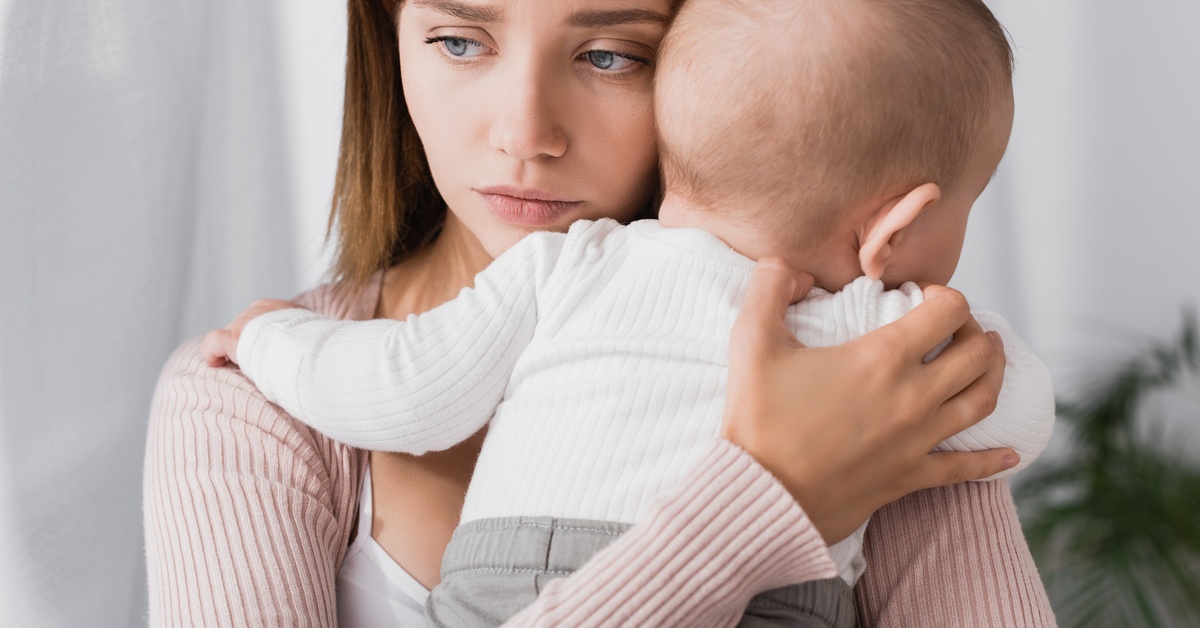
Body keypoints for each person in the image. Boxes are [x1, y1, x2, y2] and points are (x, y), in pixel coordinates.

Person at [143, 0, 1056, 626]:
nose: (524, 132)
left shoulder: (878, 391)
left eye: (612, 54)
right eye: (461, 39)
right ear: (391, 37)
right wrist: (765, 500)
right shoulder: (246, 404)